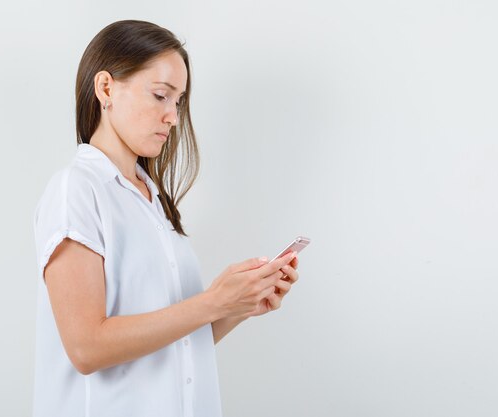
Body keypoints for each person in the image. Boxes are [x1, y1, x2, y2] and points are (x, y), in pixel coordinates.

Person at [32, 19, 300, 417]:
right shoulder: (78, 188)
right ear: (106, 88)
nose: (173, 117)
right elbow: (86, 347)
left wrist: (236, 305)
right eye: (161, 95)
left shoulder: (153, 200)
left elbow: (176, 344)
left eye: (178, 101)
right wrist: (211, 302)